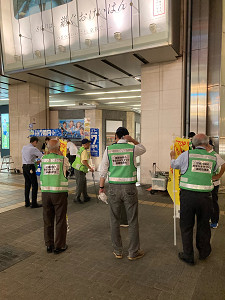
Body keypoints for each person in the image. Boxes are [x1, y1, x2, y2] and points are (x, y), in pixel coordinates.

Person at [170, 133, 225, 265]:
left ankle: (188, 255)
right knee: (204, 225)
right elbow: (223, 165)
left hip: (187, 197)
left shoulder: (186, 154)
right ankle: (204, 252)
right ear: (207, 144)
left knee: (186, 225)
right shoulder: (213, 156)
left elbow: (174, 165)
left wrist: (172, 156)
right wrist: (216, 177)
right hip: (205, 197)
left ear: (193, 144)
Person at [99, 127, 146, 260]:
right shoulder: (132, 148)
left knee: (114, 220)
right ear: (127, 136)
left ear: (116, 136)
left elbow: (103, 170)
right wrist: (133, 140)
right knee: (132, 220)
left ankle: (118, 251)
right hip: (129, 188)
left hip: (113, 188)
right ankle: (133, 252)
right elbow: (143, 148)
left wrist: (101, 188)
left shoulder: (109, 150)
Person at [40, 139, 70, 254]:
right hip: (59, 193)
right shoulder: (63, 159)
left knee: (47, 219)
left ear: (47, 148)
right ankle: (59, 246)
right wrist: (61, 155)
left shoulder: (43, 159)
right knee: (60, 219)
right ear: (58, 148)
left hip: (45, 193)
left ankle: (49, 245)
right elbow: (67, 170)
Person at [207, 140, 225, 229]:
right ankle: (210, 218)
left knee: (213, 202)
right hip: (206, 184)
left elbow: (224, 164)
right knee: (207, 202)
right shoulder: (205, 154)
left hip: (214, 183)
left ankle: (214, 221)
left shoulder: (214, 155)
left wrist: (219, 175)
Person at [22, 136, 43, 208]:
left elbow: (29, 158)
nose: (36, 144)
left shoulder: (24, 147)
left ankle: (27, 202)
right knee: (35, 185)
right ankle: (34, 203)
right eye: (36, 143)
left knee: (27, 185)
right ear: (34, 141)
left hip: (24, 167)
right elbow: (42, 156)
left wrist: (35, 161)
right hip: (30, 168)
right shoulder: (33, 148)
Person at [72, 139, 94, 203]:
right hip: (80, 170)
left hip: (78, 169)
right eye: (88, 143)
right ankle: (77, 198)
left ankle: (85, 196)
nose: (89, 145)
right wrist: (90, 168)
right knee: (80, 184)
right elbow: (84, 161)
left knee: (83, 183)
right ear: (85, 144)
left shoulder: (80, 149)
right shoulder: (84, 151)